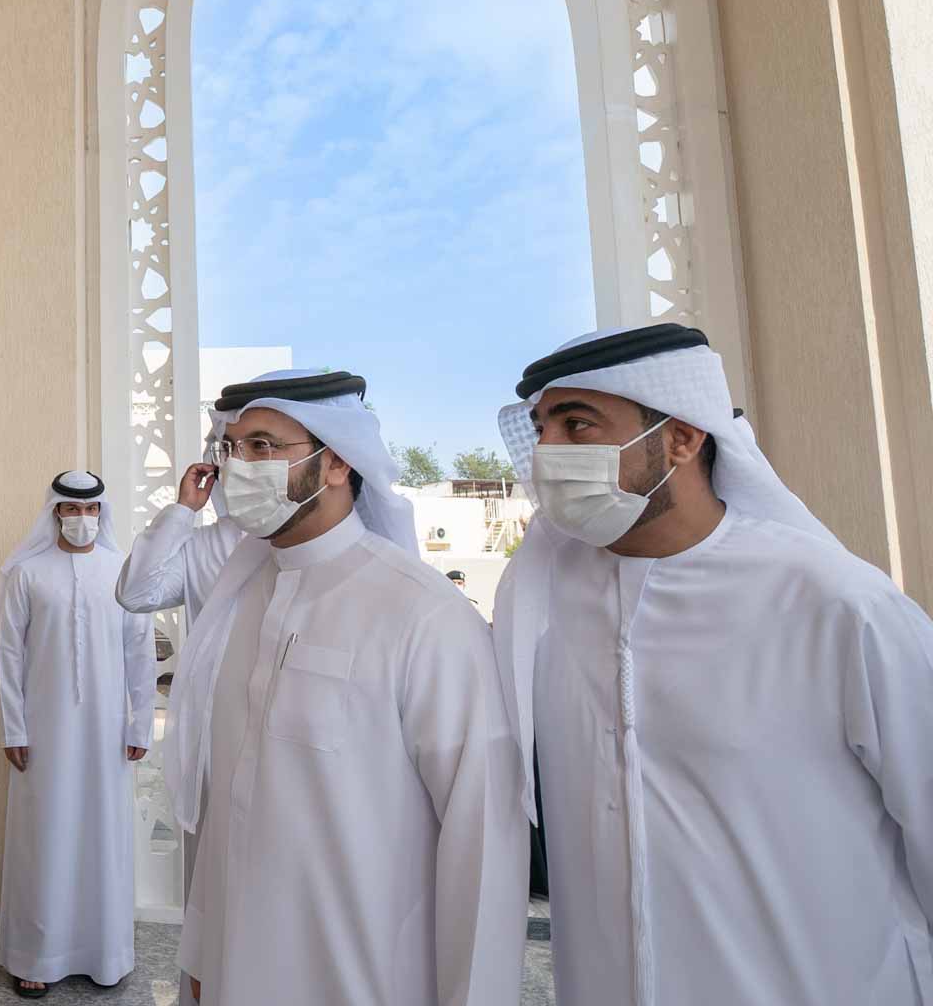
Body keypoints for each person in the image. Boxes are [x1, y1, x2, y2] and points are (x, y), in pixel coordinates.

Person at [493, 324, 933, 1006]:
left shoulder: (832, 601)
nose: (549, 451)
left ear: (683, 436)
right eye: (542, 428)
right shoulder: (540, 602)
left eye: (578, 425)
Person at [118, 369, 528, 1005]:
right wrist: (198, 951)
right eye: (233, 449)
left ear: (336, 462)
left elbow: (483, 847)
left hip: (361, 973)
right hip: (235, 965)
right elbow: (228, 804)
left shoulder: (422, 614)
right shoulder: (239, 597)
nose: (240, 465)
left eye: (262, 446)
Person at [0, 470, 156, 998]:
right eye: (71, 510)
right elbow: (8, 656)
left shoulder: (121, 572)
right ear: (55, 512)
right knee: (46, 835)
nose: (82, 521)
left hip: (108, 732)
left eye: (91, 512)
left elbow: (138, 652)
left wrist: (138, 721)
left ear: (101, 514)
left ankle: (103, 954)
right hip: (43, 732)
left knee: (102, 835)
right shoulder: (26, 573)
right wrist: (12, 727)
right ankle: (35, 956)